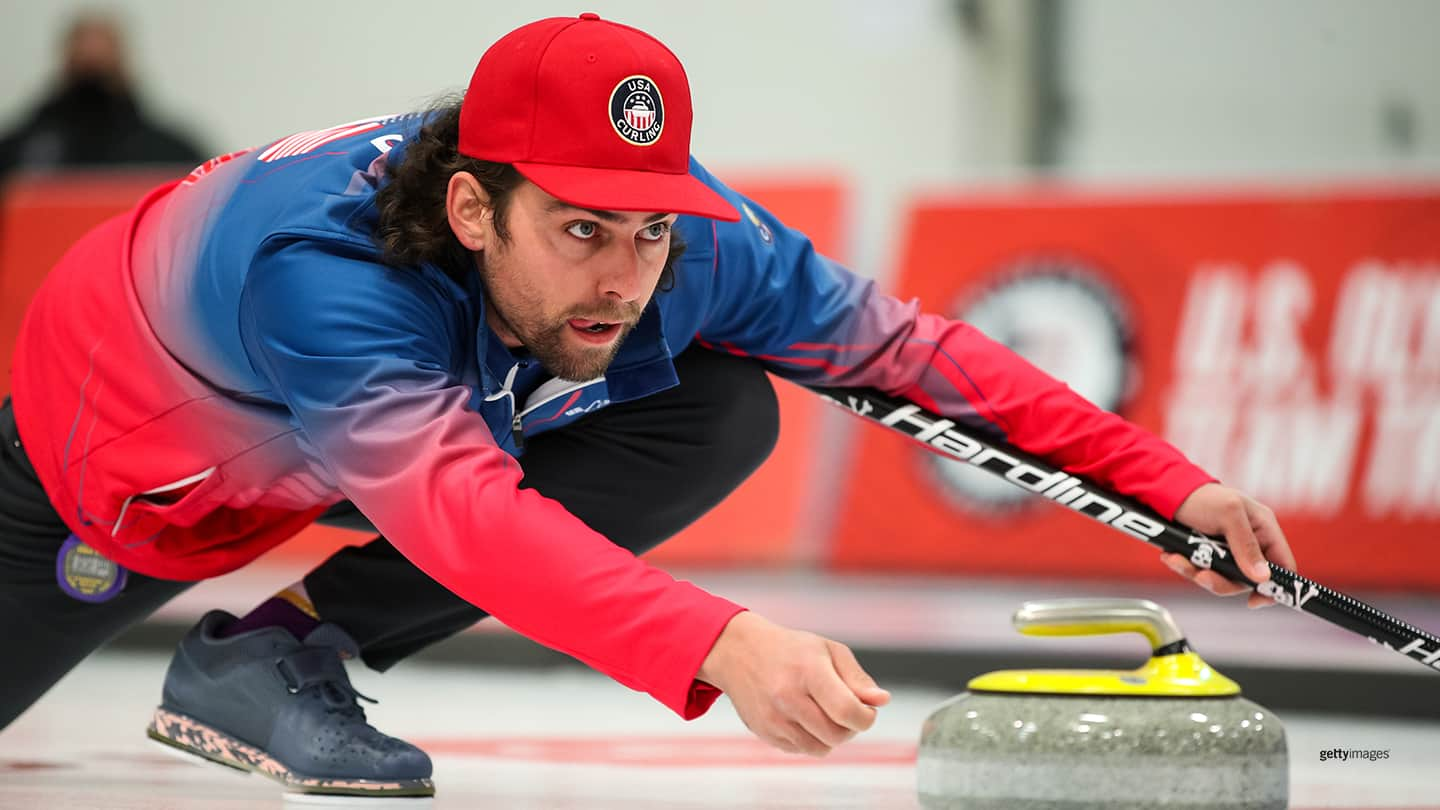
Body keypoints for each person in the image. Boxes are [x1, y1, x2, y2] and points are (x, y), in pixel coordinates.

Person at [0, 13, 1296, 798]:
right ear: (471, 206)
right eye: (581, 231)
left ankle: (280, 647)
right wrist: (725, 643)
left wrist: (1169, 485)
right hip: (102, 486)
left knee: (723, 405)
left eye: (651, 229)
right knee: (472, 483)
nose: (625, 279)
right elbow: (468, 517)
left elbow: (910, 351)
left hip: (341, 444)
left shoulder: (673, 245)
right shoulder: (333, 283)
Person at [0, 12, 205, 181]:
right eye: (84, 59)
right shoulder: (19, 152)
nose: (92, 57)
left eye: (101, 58)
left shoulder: (171, 154)